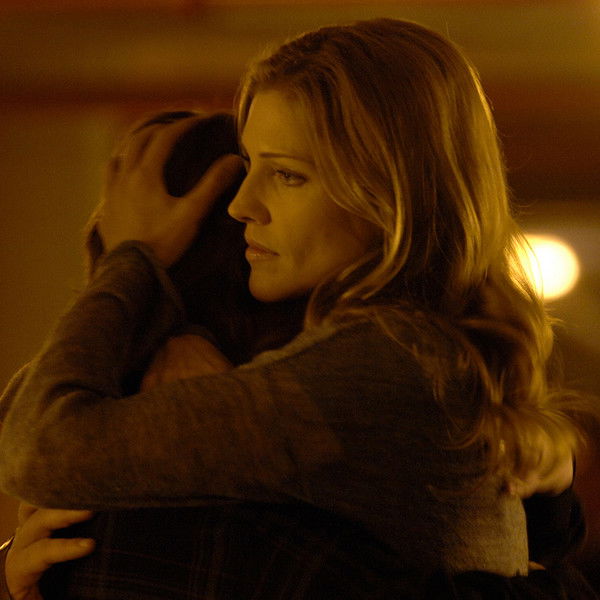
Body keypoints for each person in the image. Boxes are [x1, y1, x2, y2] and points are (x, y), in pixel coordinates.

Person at [0, 18, 596, 599]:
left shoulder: (383, 361)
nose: (241, 204)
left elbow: (39, 450)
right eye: (249, 164)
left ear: (389, 196)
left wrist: (131, 260)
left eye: (287, 175)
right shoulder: (410, 351)